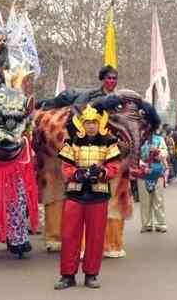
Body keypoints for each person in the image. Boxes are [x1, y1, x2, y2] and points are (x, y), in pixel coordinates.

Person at [54, 106, 121, 290]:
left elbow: (114, 167)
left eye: (94, 123)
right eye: (88, 123)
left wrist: (101, 172)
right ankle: (67, 275)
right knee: (69, 236)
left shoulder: (109, 142)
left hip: (98, 195)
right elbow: (65, 167)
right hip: (75, 194)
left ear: (99, 123)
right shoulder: (72, 142)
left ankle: (91, 274)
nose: (91, 126)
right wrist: (78, 174)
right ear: (82, 124)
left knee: (96, 237)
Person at [138, 130, 168, 233]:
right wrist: (142, 166)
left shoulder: (159, 139)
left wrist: (158, 151)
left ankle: (161, 223)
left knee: (158, 199)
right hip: (142, 173)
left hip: (157, 172)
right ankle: (147, 224)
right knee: (144, 200)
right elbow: (134, 156)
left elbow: (165, 153)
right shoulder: (138, 140)